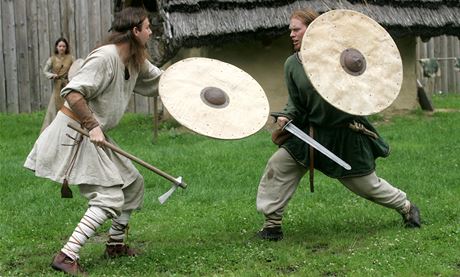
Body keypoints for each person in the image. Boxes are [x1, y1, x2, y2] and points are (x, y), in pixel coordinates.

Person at [256, 8, 421, 241]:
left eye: (296, 29)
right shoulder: (292, 64)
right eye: (290, 30)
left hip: (345, 134)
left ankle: (406, 207)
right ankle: (272, 226)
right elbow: (296, 103)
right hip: (310, 134)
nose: (291, 34)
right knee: (279, 166)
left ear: (312, 30)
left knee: (366, 185)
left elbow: (362, 92)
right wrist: (286, 117)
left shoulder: (340, 58)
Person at [24, 7, 162, 275]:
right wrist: (93, 126)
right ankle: (66, 255)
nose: (150, 31)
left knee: (132, 183)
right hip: (77, 131)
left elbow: (162, 81)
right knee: (109, 196)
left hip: (93, 132)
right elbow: (72, 93)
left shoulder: (135, 59)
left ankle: (115, 245)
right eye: (147, 27)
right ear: (135, 31)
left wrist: (197, 87)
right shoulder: (105, 58)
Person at [41, 37, 74, 132]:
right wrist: (52, 75)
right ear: (57, 47)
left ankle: (69, 127)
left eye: (64, 46)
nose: (62, 48)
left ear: (66, 47)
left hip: (68, 85)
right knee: (54, 106)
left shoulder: (71, 58)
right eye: (60, 46)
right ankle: (52, 129)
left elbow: (76, 68)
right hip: (57, 87)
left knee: (69, 105)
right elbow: (45, 71)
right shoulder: (52, 59)